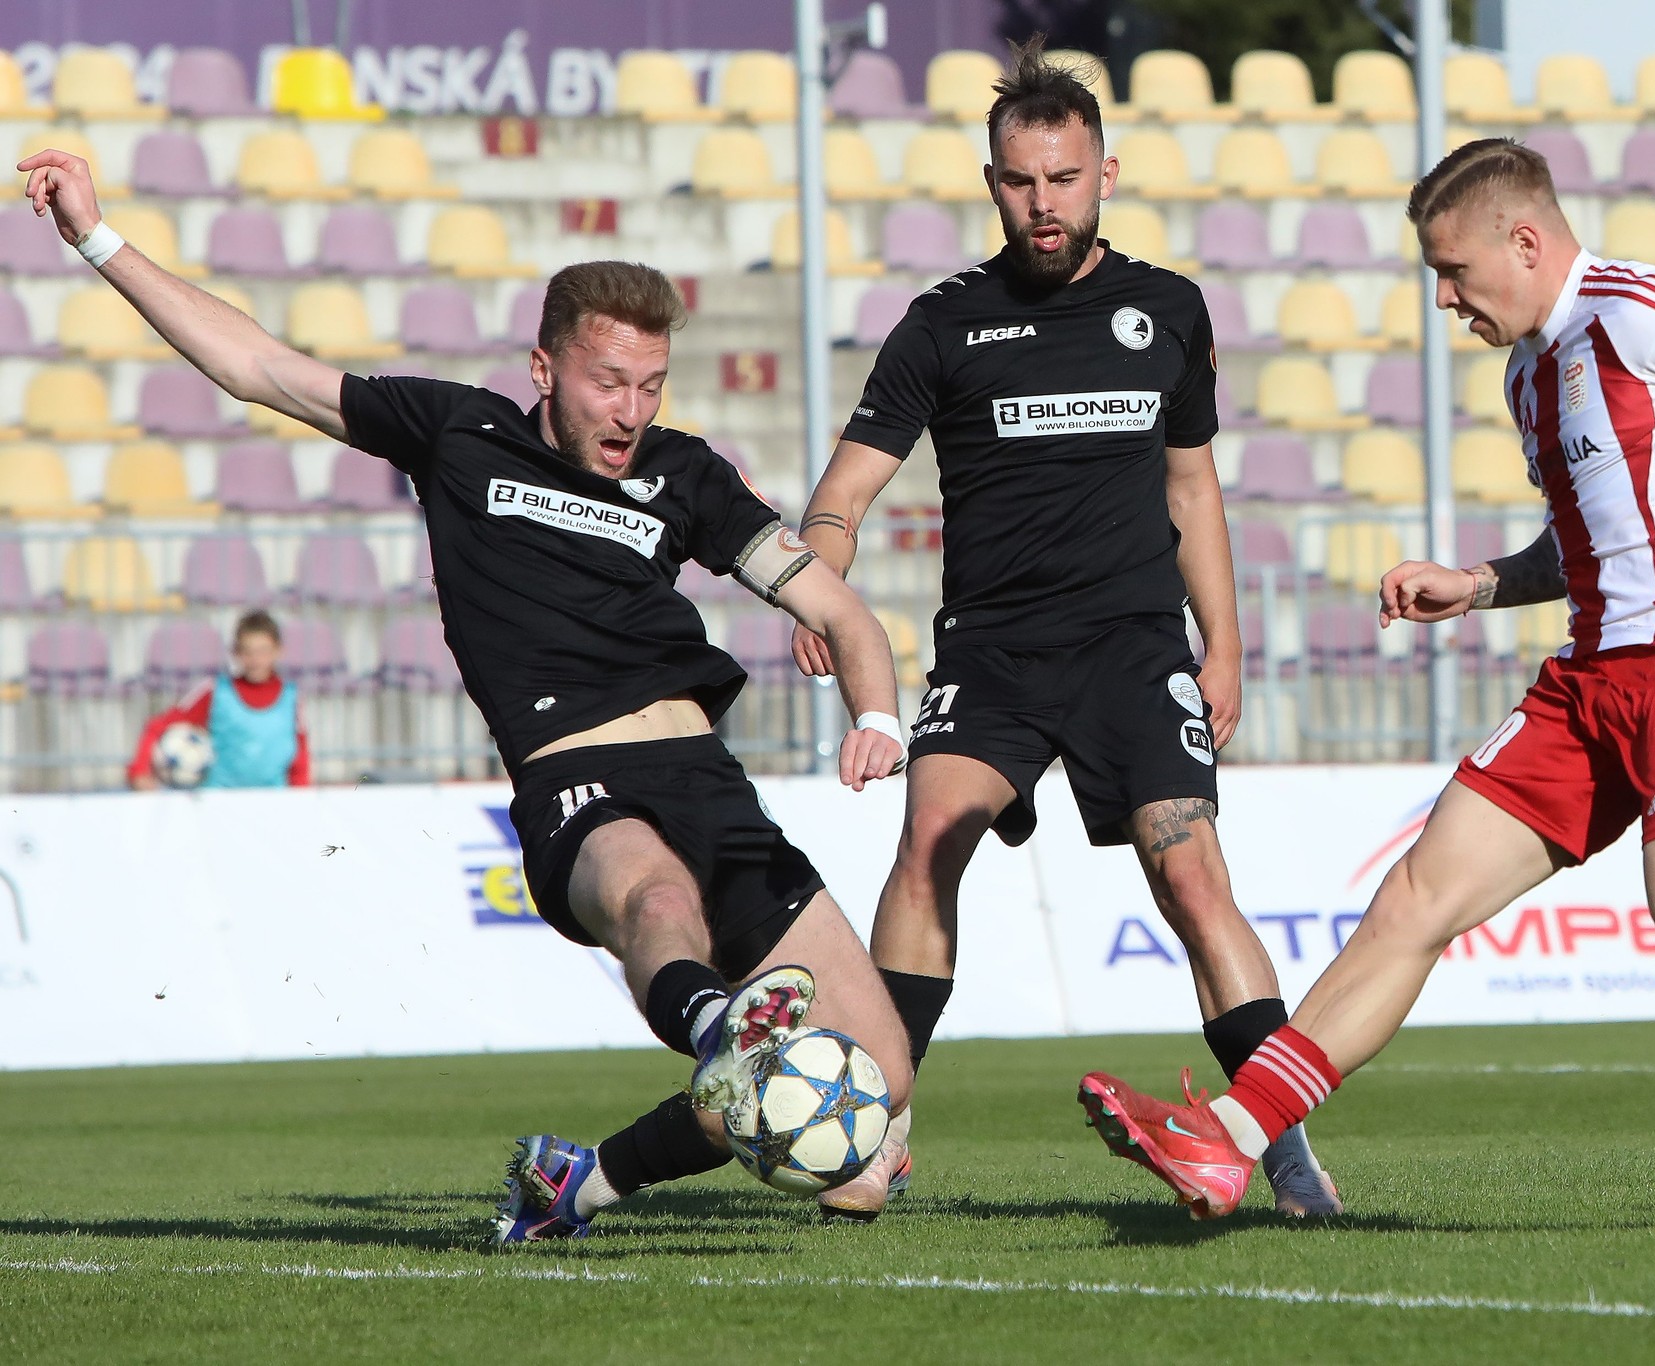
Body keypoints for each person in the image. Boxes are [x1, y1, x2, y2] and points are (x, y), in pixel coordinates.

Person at [19, 147, 915, 1242]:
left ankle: (577, 1183)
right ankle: (719, 1024)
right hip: (578, 776)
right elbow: (259, 367)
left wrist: (875, 717)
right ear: (543, 367)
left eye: (649, 385)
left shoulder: (686, 476)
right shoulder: (459, 434)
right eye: (605, 381)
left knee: (873, 1119)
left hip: (706, 778)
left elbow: (843, 614)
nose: (629, 408)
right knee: (654, 907)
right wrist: (98, 241)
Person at [1077, 137, 1655, 1226]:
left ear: (1525, 240)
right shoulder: (1527, 371)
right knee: (1413, 897)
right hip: (1586, 684)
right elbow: (1580, 541)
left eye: (1453, 273)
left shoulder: (1640, 310)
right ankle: (1231, 1138)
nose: (1445, 299)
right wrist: (1478, 583)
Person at [790, 37, 1340, 1220]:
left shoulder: (1168, 310)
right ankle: (877, 1130)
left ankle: (1281, 1150)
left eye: (1064, 178)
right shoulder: (941, 326)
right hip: (990, 652)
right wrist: (816, 583)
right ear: (990, 182)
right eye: (1019, 181)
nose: (1043, 204)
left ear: (1105, 174)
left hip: (1133, 649)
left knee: (1191, 877)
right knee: (927, 839)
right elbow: (839, 496)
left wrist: (1224, 645)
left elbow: (1191, 490)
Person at [129, 609, 309, 789]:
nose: (255, 660)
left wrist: (301, 793)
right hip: (220, 801)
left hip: (272, 802)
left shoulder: (291, 698)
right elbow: (157, 726)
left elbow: (300, 755)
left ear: (278, 651)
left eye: (263, 651)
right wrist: (140, 771)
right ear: (235, 653)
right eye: (247, 652)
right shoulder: (215, 691)